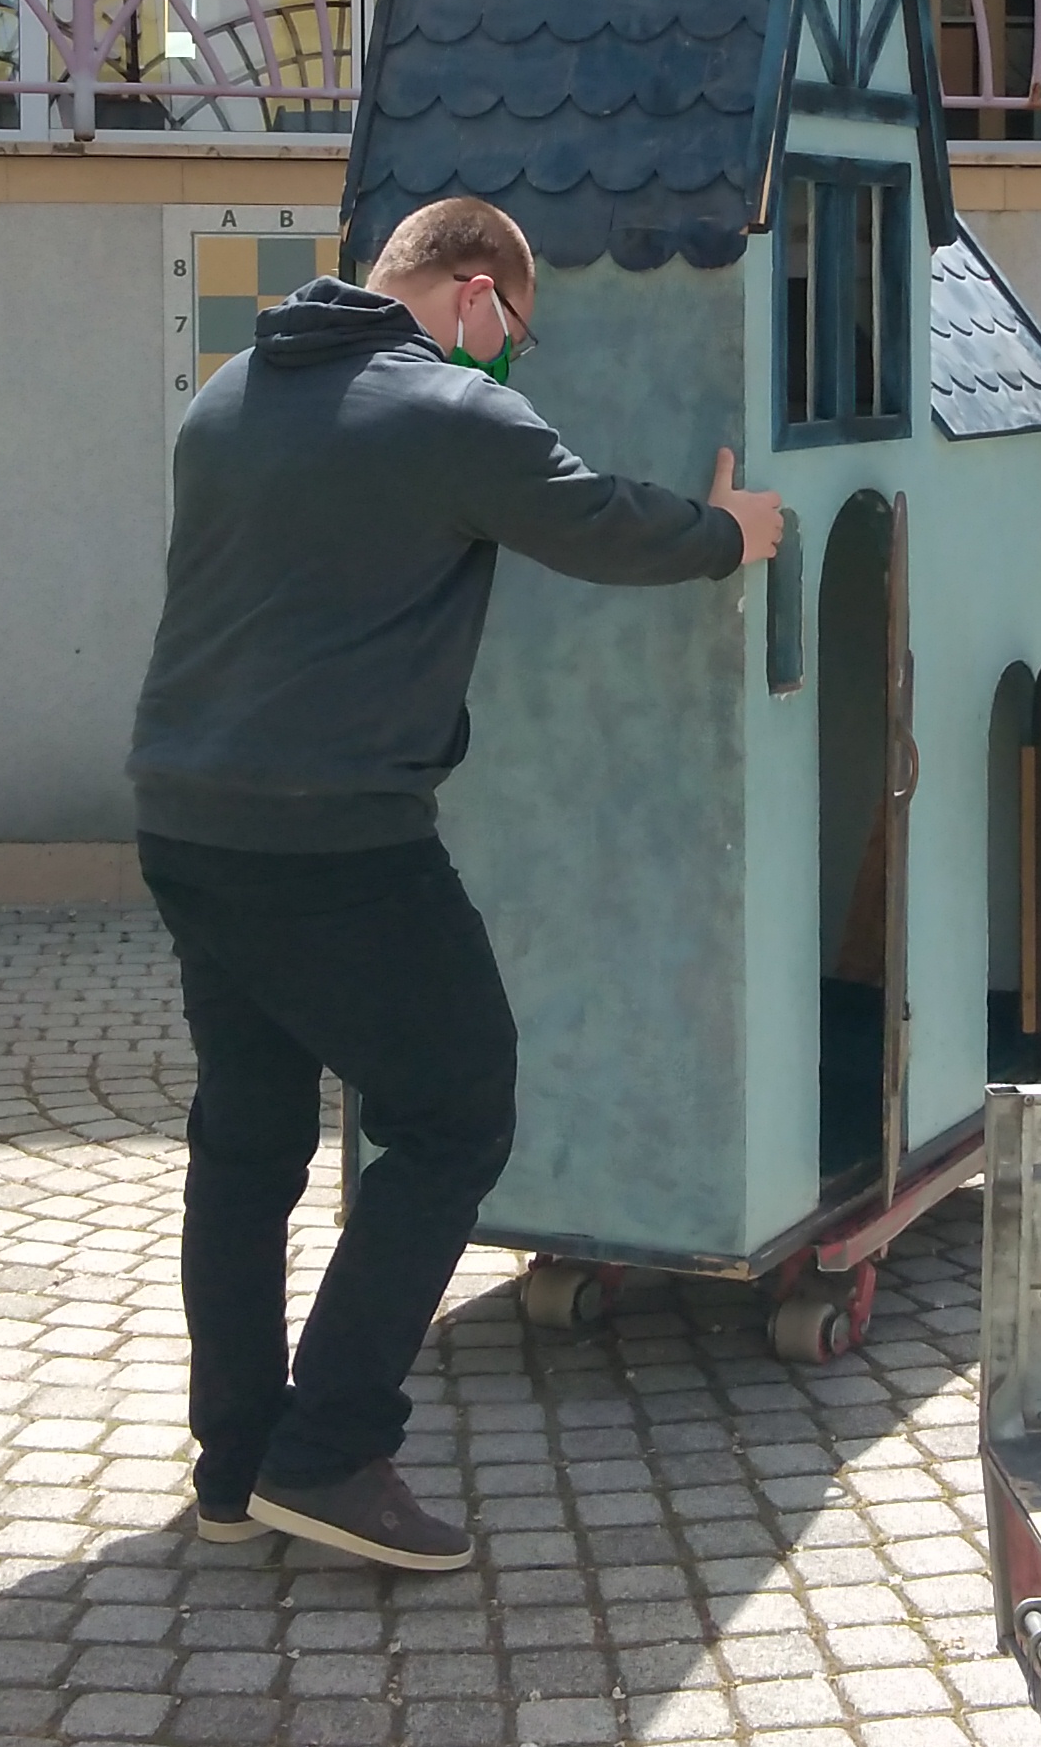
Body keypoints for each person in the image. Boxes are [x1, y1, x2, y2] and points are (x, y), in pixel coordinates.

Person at [126, 194, 784, 1572]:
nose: (509, 361)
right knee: (453, 1111)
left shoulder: (229, 397)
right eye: (515, 336)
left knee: (247, 1143)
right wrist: (728, 531)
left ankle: (235, 1466)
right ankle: (329, 1450)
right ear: (475, 293)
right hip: (340, 842)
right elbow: (597, 520)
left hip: (188, 819)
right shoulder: (451, 412)